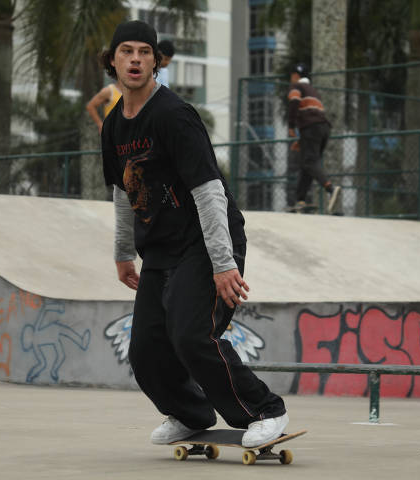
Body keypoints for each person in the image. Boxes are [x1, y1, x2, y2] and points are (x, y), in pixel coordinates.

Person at [99, 20, 289, 448]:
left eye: (144, 52)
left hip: (205, 242)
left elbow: (209, 191)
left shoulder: (174, 115)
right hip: (161, 251)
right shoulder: (113, 127)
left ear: (155, 61)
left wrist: (223, 263)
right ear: (112, 61)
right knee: (145, 353)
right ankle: (191, 413)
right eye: (126, 51)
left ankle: (265, 410)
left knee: (191, 335)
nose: (135, 59)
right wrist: (122, 252)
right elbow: (122, 191)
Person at [287, 62, 340, 214]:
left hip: (311, 128)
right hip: (323, 129)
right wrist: (302, 139)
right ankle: (301, 200)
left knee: (309, 162)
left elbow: (294, 102)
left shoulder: (296, 87)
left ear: (296, 76)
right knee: (308, 164)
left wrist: (291, 126)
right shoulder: (314, 91)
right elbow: (314, 113)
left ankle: (330, 188)